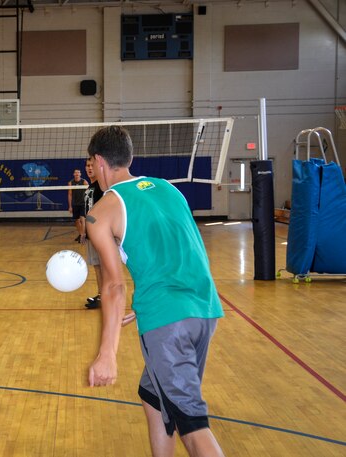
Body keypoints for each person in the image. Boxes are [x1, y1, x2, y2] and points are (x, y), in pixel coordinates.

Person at [85, 126, 225, 457]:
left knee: (192, 424)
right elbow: (187, 250)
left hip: (168, 320)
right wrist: (146, 306)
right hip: (204, 309)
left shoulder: (100, 212)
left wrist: (108, 354)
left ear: (99, 161)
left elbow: (114, 286)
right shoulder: (168, 189)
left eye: (91, 161)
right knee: (152, 395)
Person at [80, 157, 104, 309]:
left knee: (103, 266)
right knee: (96, 265)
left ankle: (106, 296)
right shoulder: (89, 189)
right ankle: (102, 295)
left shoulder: (102, 187)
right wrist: (83, 232)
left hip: (100, 234)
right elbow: (86, 212)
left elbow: (102, 212)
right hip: (91, 234)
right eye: (87, 166)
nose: (89, 168)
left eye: (91, 165)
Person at [68, 168, 88, 242]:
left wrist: (88, 203)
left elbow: (89, 193)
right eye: (75, 173)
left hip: (83, 204)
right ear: (73, 174)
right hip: (75, 204)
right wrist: (70, 206)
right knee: (76, 221)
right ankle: (81, 234)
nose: (77, 174)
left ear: (80, 174)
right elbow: (69, 194)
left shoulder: (84, 182)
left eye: (78, 173)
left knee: (82, 220)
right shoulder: (70, 182)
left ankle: (83, 236)